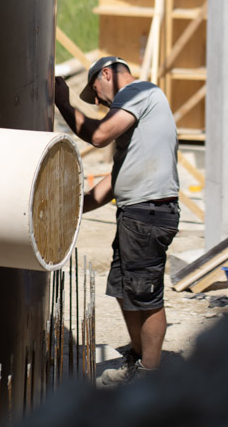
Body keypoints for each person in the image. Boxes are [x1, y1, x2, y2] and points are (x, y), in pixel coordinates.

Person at [54, 55, 179, 385]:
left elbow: (98, 136)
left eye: (95, 91)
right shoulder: (136, 122)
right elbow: (113, 182)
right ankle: (139, 361)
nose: (97, 101)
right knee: (125, 290)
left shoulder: (139, 93)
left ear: (106, 74)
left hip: (148, 214)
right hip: (135, 214)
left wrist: (62, 104)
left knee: (146, 297)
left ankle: (151, 378)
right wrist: (69, 209)